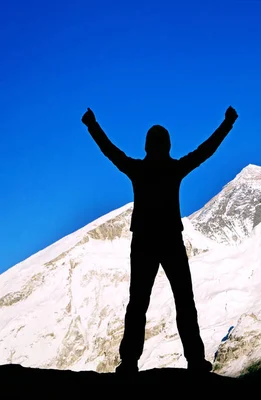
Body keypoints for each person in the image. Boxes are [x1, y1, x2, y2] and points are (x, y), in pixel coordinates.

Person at [81, 106, 238, 374]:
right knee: (184, 300)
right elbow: (206, 150)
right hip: (170, 240)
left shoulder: (137, 169)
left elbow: (110, 151)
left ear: (147, 147)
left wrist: (92, 125)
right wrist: (227, 123)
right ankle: (195, 361)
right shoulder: (174, 168)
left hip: (143, 240)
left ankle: (129, 361)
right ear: (167, 146)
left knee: (138, 302)